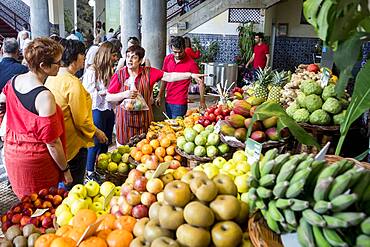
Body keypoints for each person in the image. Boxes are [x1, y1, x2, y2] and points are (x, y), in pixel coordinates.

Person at [0, 37, 71, 198]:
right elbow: (52, 142)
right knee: (41, 208)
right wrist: (65, 170)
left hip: (12, 154)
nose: (60, 66)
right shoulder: (44, 96)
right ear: (43, 66)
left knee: (25, 206)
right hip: (36, 163)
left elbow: (2, 100)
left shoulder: (14, 81)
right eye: (57, 62)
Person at [107, 45, 205, 145]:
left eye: (134, 57)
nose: (130, 60)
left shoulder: (149, 73)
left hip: (143, 121)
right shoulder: (119, 75)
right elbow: (109, 97)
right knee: (124, 152)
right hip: (124, 122)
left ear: (140, 60)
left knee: (144, 150)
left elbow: (169, 76)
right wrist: (125, 94)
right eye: (128, 56)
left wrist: (191, 75)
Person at [45, 39, 108, 188]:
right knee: (73, 190)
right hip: (73, 146)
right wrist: (97, 132)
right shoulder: (72, 83)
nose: (85, 58)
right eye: (83, 55)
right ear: (76, 57)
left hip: (59, 144)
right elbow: (81, 121)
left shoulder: (52, 78)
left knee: (60, 187)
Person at [82, 41, 119, 180]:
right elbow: (88, 93)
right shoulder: (92, 71)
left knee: (106, 140)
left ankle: (101, 168)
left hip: (108, 108)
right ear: (106, 55)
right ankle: (89, 172)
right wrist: (104, 93)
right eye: (114, 55)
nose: (115, 58)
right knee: (96, 141)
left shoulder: (109, 70)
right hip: (97, 109)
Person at [156, 36, 206, 119]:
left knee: (177, 127)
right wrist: (159, 95)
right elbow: (164, 78)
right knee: (169, 125)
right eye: (175, 52)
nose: (177, 55)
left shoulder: (191, 63)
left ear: (184, 48)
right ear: (171, 49)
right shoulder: (168, 59)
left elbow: (200, 83)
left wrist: (202, 101)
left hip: (180, 102)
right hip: (168, 99)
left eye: (180, 52)